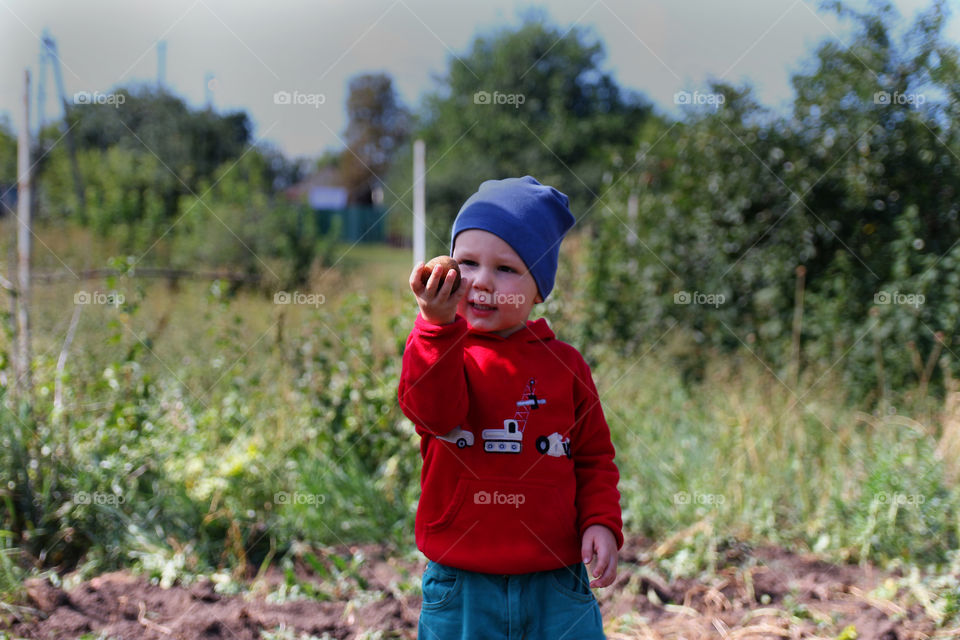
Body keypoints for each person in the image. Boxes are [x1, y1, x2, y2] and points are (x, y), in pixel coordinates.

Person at [398, 176, 622, 639]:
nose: (481, 280)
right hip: (462, 581)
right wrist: (435, 327)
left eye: (506, 269)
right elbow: (435, 415)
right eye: (468, 263)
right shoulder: (441, 350)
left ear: (538, 290)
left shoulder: (566, 365)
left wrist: (600, 522)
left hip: (556, 580)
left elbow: (593, 457)